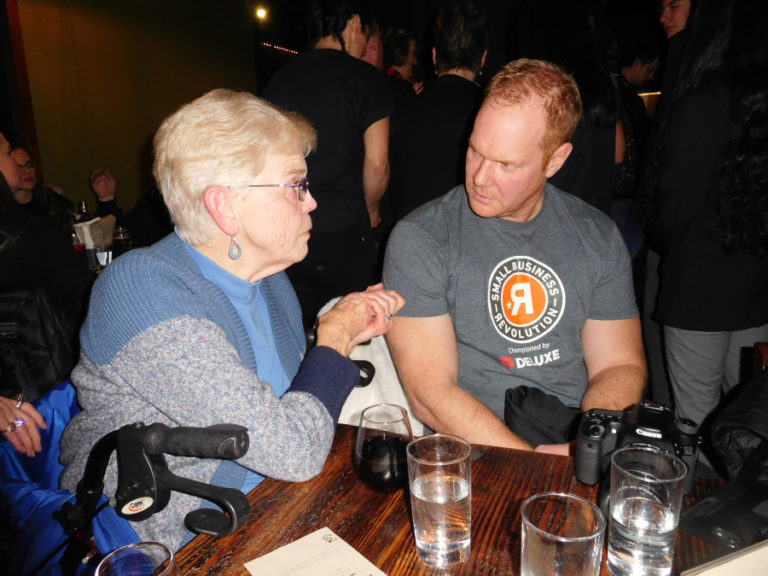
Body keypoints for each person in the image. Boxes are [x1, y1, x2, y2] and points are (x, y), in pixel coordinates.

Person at [58, 89, 404, 550]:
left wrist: (339, 335)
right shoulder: (140, 290)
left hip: (271, 504)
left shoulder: (268, 280)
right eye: (296, 185)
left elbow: (296, 415)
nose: (312, 202)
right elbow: (292, 449)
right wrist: (334, 336)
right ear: (224, 206)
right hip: (171, 539)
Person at [383, 59, 645, 452]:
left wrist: (587, 442)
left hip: (573, 436)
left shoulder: (597, 237)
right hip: (476, 451)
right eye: (474, 151)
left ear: (555, 161)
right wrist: (533, 464)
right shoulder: (423, 239)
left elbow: (619, 365)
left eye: (507, 164)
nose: (479, 178)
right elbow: (432, 393)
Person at [644, 0, 768, 437]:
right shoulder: (756, 98)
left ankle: (708, 505)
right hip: (754, 283)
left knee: (695, 429)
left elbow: (672, 205)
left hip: (698, 288)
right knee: (749, 425)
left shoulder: (701, 100)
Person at [262, 0, 392, 330]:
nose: (364, 42)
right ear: (353, 25)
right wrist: (372, 207)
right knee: (349, 331)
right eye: (364, 32)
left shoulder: (278, 79)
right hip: (344, 231)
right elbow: (377, 162)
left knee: (295, 328)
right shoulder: (366, 78)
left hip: (288, 229)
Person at [389, 0, 489, 221]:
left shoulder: (404, 110)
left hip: (411, 239)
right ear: (482, 59)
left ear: (434, 56)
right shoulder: (493, 117)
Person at [10, 146, 74, 236]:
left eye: (29, 164)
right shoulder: (5, 210)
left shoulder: (52, 202)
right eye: (19, 166)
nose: (27, 171)